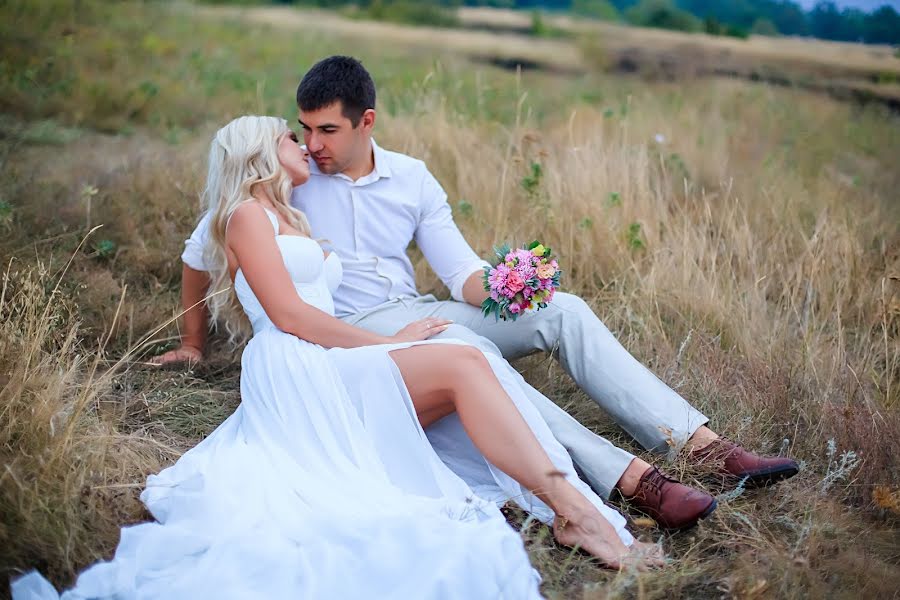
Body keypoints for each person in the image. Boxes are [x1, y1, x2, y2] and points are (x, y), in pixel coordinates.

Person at [12, 115, 666, 600]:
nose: (305, 146)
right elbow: (290, 314)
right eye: (292, 138)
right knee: (462, 361)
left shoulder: (288, 216)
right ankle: (574, 513)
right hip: (297, 365)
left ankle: (572, 506)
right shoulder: (244, 214)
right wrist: (196, 345)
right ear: (265, 153)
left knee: (464, 360)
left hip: (327, 359)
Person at [158, 56, 799, 531]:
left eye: (326, 131)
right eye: (305, 130)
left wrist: (509, 285)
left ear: (366, 123)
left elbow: (460, 271)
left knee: (564, 311)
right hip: (360, 333)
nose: (313, 145)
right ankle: (629, 481)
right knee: (467, 348)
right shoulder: (286, 179)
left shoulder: (411, 178)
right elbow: (202, 249)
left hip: (423, 308)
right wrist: (193, 342)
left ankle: (699, 446)